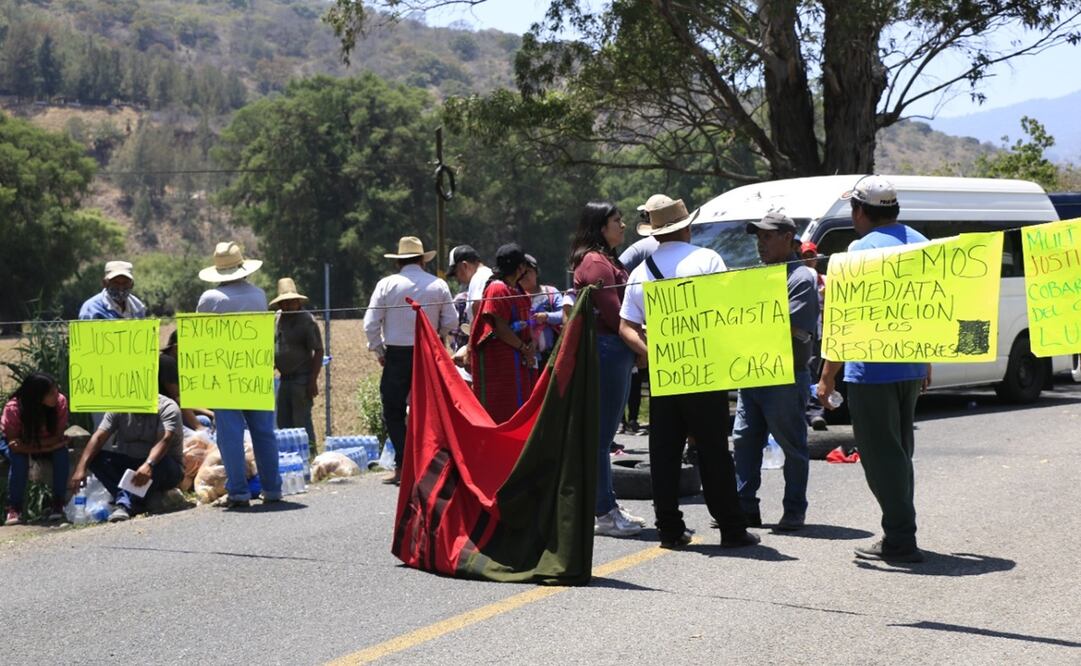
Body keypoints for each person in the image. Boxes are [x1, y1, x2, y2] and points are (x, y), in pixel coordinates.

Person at [619, 198, 759, 549]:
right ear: (686, 226)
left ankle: (669, 529)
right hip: (705, 370)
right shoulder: (707, 259)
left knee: (664, 452)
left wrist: (653, 354)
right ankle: (731, 527)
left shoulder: (641, 271)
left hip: (665, 374)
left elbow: (626, 326)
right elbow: (728, 310)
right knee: (713, 450)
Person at [817, 175, 931, 563]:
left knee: (882, 456)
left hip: (872, 372)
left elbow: (845, 322)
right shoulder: (922, 243)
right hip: (911, 366)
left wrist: (828, 373)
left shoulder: (858, 251)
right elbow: (929, 308)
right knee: (899, 453)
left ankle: (900, 538)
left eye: (853, 208)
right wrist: (926, 358)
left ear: (861, 211)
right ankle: (899, 531)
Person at [731, 212, 819, 531]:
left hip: (785, 376)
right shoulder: (757, 276)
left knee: (792, 443)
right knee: (744, 439)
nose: (761, 243)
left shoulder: (801, 279)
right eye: (758, 237)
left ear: (788, 238)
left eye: (767, 237)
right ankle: (745, 508)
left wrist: (745, 325)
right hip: (752, 373)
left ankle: (794, 510)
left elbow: (794, 328)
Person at [571, 202, 648, 537]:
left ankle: (605, 503)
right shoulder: (595, 263)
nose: (623, 226)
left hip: (613, 351)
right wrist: (641, 346)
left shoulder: (605, 261)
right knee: (602, 437)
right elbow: (617, 316)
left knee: (604, 435)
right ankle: (604, 511)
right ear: (602, 227)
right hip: (607, 350)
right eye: (617, 221)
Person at [363, 236, 456, 485]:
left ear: (398, 262)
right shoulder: (438, 285)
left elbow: (371, 324)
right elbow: (452, 321)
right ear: (422, 261)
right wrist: (438, 336)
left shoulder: (386, 285)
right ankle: (432, 462)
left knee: (392, 410)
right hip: (428, 353)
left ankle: (404, 464)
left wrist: (380, 351)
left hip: (397, 355)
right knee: (430, 409)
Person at [196, 241, 280, 508]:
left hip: (225, 373)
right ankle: (273, 488)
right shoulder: (259, 295)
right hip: (256, 369)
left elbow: (200, 336)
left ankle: (239, 492)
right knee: (264, 432)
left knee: (230, 435)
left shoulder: (210, 299)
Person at [68, 394, 184, 522]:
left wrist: (148, 464)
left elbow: (164, 440)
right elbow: (99, 437)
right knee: (96, 458)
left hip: (162, 467)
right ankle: (136, 500)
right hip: (129, 466)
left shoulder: (167, 407)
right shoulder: (120, 406)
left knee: (163, 462)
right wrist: (80, 468)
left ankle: (125, 505)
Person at [617, 194, 673, 436]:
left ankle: (660, 428)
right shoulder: (701, 254)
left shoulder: (640, 248)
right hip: (682, 328)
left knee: (651, 385)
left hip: (650, 329)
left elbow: (618, 272)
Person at [469, 243, 538, 424]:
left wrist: (530, 346)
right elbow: (500, 327)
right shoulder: (498, 289)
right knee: (504, 415)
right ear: (520, 267)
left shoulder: (517, 288)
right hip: (502, 364)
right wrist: (524, 347)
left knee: (521, 410)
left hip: (519, 359)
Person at [1, 373, 69, 525]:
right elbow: (14, 444)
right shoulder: (13, 408)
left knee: (61, 454)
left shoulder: (60, 403)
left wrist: (47, 446)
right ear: (38, 396)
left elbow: (57, 437)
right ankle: (14, 508)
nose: (56, 395)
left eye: (56, 390)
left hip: (35, 442)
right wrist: (48, 446)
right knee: (19, 461)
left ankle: (58, 503)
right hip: (19, 444)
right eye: (51, 393)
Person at [270, 277, 324, 450]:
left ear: (298, 301)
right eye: (284, 303)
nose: (287, 306)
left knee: (301, 422)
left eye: (291, 302)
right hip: (284, 379)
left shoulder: (306, 320)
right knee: (283, 422)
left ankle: (310, 455)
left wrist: (312, 380)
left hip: (301, 379)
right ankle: (289, 456)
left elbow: (318, 351)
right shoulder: (278, 318)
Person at [158, 330, 213, 434]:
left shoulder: (174, 362)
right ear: (177, 347)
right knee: (205, 422)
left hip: (173, 414)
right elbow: (178, 398)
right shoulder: (167, 362)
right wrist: (198, 427)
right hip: (165, 418)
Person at [519, 254, 567, 367]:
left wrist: (546, 317)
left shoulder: (550, 292)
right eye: (521, 273)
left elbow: (564, 315)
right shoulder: (514, 297)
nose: (524, 276)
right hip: (525, 358)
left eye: (528, 271)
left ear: (536, 272)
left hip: (552, 358)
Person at [800, 241, 829, 431]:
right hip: (805, 334)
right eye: (805, 256)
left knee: (818, 373)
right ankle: (812, 413)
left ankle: (815, 412)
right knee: (807, 372)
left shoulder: (825, 280)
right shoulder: (800, 280)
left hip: (822, 334)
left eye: (811, 255)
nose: (808, 259)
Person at [79, 260, 147, 320]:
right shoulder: (91, 308)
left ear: (132, 285)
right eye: (115, 283)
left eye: (125, 283)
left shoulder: (138, 308)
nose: (121, 288)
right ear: (105, 283)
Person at [447, 245, 492, 324]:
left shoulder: (478, 278)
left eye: (455, 273)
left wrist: (476, 333)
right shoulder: (487, 273)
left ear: (464, 266)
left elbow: (477, 304)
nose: (457, 279)